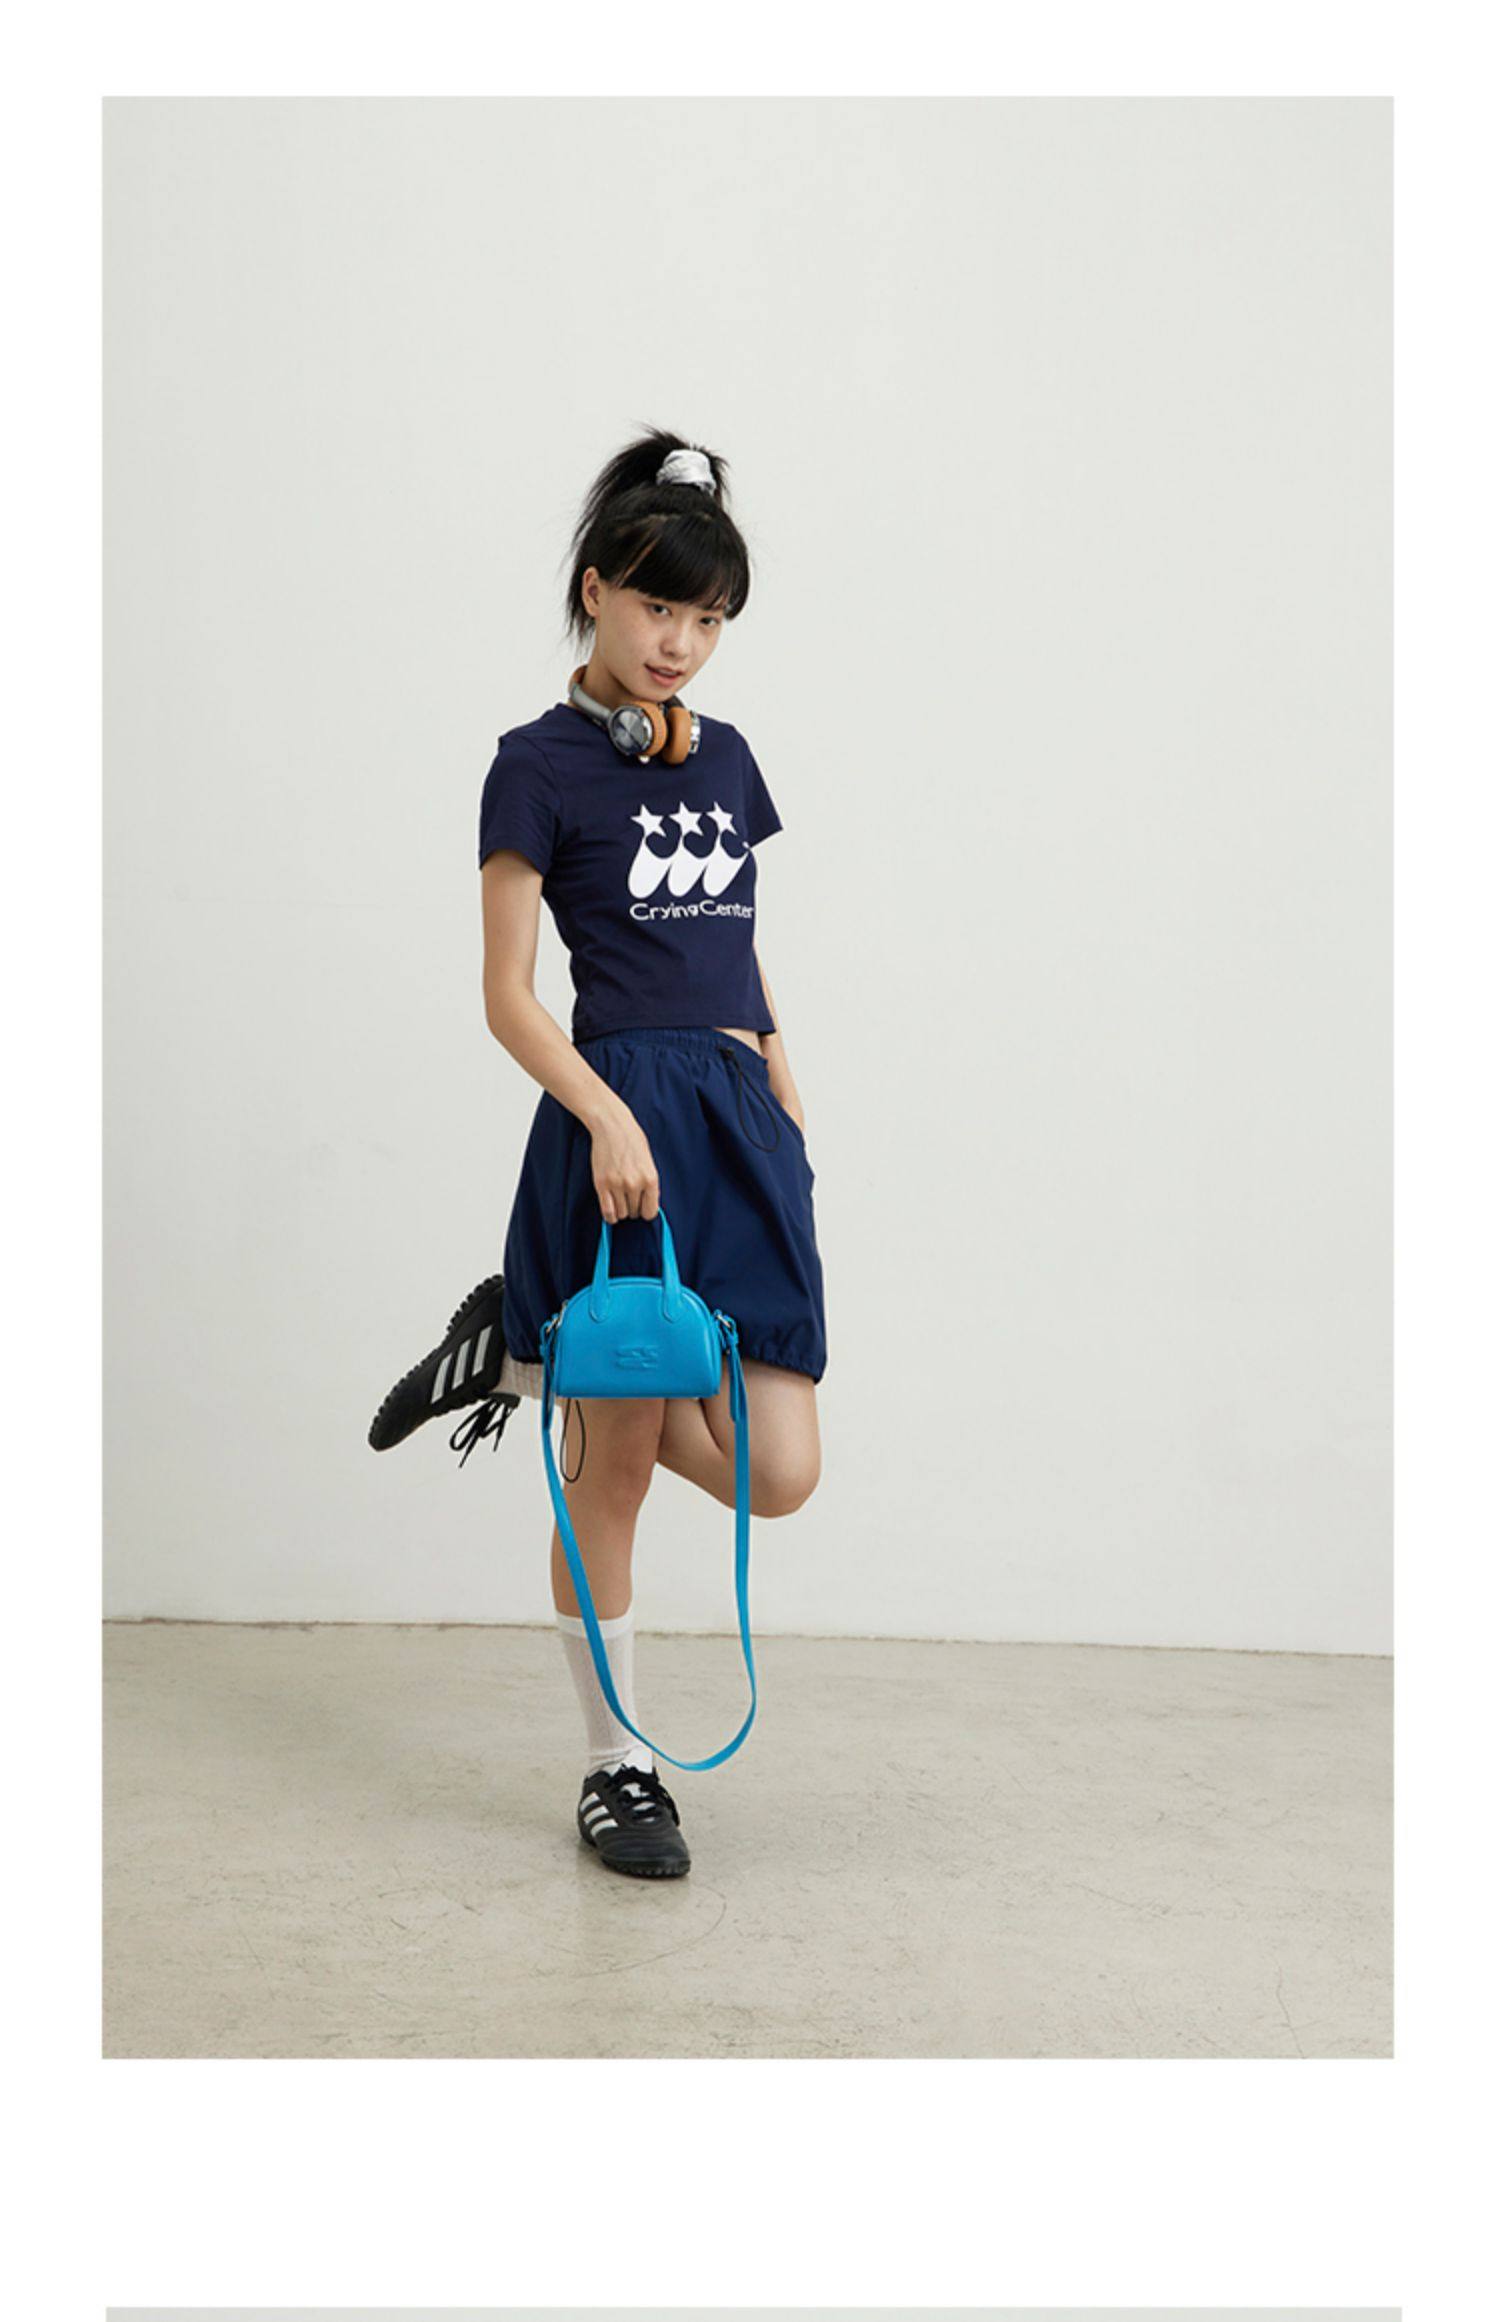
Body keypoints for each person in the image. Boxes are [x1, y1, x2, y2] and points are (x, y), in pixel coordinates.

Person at [477, 427, 827, 1879]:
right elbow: (508, 995)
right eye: (657, 605)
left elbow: (738, 942)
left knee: (781, 1469)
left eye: (708, 618)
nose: (680, 641)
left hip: (739, 1126)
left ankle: (529, 1351)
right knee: (610, 1471)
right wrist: (608, 1118)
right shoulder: (534, 768)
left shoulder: (726, 758)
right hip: (617, 1121)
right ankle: (616, 1766)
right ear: (596, 591)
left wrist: (785, 1093)